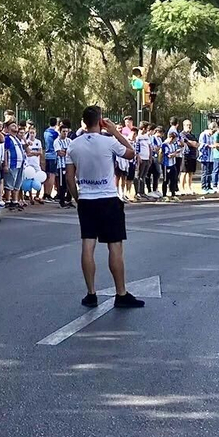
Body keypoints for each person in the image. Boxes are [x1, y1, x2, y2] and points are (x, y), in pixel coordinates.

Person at [64, 106, 143, 309]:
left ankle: (91, 293)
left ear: (83, 121)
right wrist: (116, 132)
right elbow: (131, 153)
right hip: (108, 198)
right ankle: (121, 293)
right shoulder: (109, 142)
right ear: (100, 122)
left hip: (87, 200)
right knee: (114, 246)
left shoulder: (73, 145)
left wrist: (78, 198)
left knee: (87, 245)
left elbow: (69, 178)